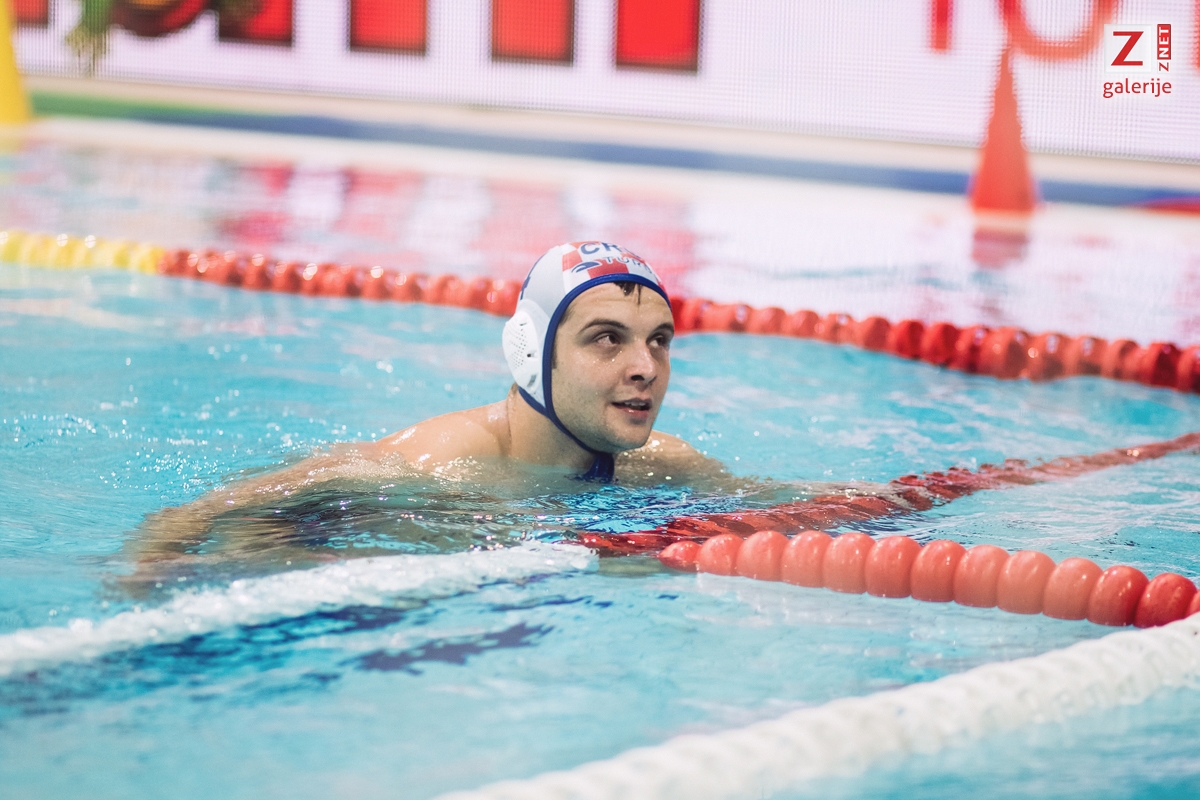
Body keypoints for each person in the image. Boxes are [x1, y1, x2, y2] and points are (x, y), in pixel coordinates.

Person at [129, 242, 730, 577]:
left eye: (659, 340)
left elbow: (775, 511)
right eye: (607, 339)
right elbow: (200, 516)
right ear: (532, 352)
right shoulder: (434, 462)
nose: (645, 367)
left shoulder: (665, 464)